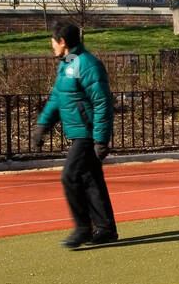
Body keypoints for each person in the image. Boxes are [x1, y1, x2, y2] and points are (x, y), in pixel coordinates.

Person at [32, 19, 118, 247]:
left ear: (62, 42)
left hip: (87, 134)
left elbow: (102, 102)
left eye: (53, 42)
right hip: (80, 132)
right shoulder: (68, 62)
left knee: (70, 176)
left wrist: (100, 139)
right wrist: (43, 125)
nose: (51, 46)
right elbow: (58, 97)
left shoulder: (87, 64)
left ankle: (82, 228)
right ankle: (106, 229)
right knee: (91, 181)